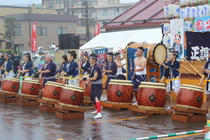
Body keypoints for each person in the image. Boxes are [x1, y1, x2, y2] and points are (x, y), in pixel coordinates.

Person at [82, 53, 103, 119]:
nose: (90, 60)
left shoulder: (96, 67)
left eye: (91, 59)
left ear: (94, 60)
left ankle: (99, 113)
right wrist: (86, 83)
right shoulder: (92, 67)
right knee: (93, 97)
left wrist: (86, 79)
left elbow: (94, 78)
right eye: (90, 59)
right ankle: (97, 110)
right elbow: (91, 77)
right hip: (94, 84)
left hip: (98, 84)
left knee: (97, 98)